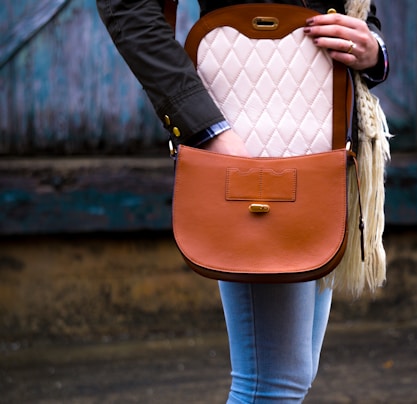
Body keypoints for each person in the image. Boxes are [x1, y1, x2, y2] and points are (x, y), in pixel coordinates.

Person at [96, 1, 389, 402]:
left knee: (292, 374)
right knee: (272, 382)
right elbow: (128, 6)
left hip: (322, 142)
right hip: (247, 135)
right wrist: (208, 130)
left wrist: (372, 48)